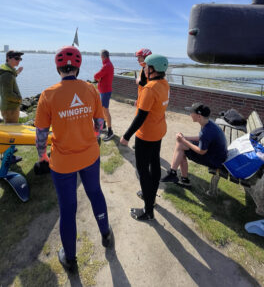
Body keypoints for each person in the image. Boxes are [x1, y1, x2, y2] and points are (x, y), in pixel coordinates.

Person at [35, 46, 113, 272]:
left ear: (58, 67)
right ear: (77, 67)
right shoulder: (90, 89)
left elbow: (40, 133)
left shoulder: (48, 94)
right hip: (90, 156)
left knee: (68, 208)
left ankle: (70, 259)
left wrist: (42, 156)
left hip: (62, 163)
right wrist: (94, 138)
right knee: (95, 193)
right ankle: (106, 235)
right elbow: (99, 123)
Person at [120, 54, 170, 221]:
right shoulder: (164, 84)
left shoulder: (150, 89)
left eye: (146, 67)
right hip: (158, 131)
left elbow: (140, 117)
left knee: (143, 171)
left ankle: (148, 210)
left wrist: (126, 136)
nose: (144, 70)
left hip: (146, 135)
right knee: (154, 164)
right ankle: (150, 196)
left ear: (152, 69)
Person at [160, 102, 227, 187]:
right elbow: (200, 138)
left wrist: (184, 140)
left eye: (192, 112)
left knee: (181, 146)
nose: (190, 114)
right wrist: (186, 138)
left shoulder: (206, 132)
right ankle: (179, 177)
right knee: (181, 145)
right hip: (216, 153)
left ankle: (174, 174)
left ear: (199, 116)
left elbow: (201, 151)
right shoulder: (208, 122)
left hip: (215, 160)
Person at [0, 50, 24, 163]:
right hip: (10, 108)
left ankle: (10, 149)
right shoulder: (6, 74)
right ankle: (8, 157)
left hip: (8, 107)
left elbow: (11, 76)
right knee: (11, 133)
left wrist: (17, 72)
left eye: (20, 58)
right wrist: (19, 99)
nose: (19, 60)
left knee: (10, 130)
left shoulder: (8, 71)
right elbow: (7, 95)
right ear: (8, 58)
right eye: (16, 58)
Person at [94, 49, 114, 141]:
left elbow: (96, 75)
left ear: (102, 57)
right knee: (103, 108)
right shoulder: (108, 64)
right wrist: (99, 79)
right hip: (105, 90)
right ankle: (104, 125)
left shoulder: (106, 65)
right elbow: (100, 76)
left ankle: (110, 132)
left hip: (105, 91)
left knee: (105, 110)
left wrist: (98, 79)